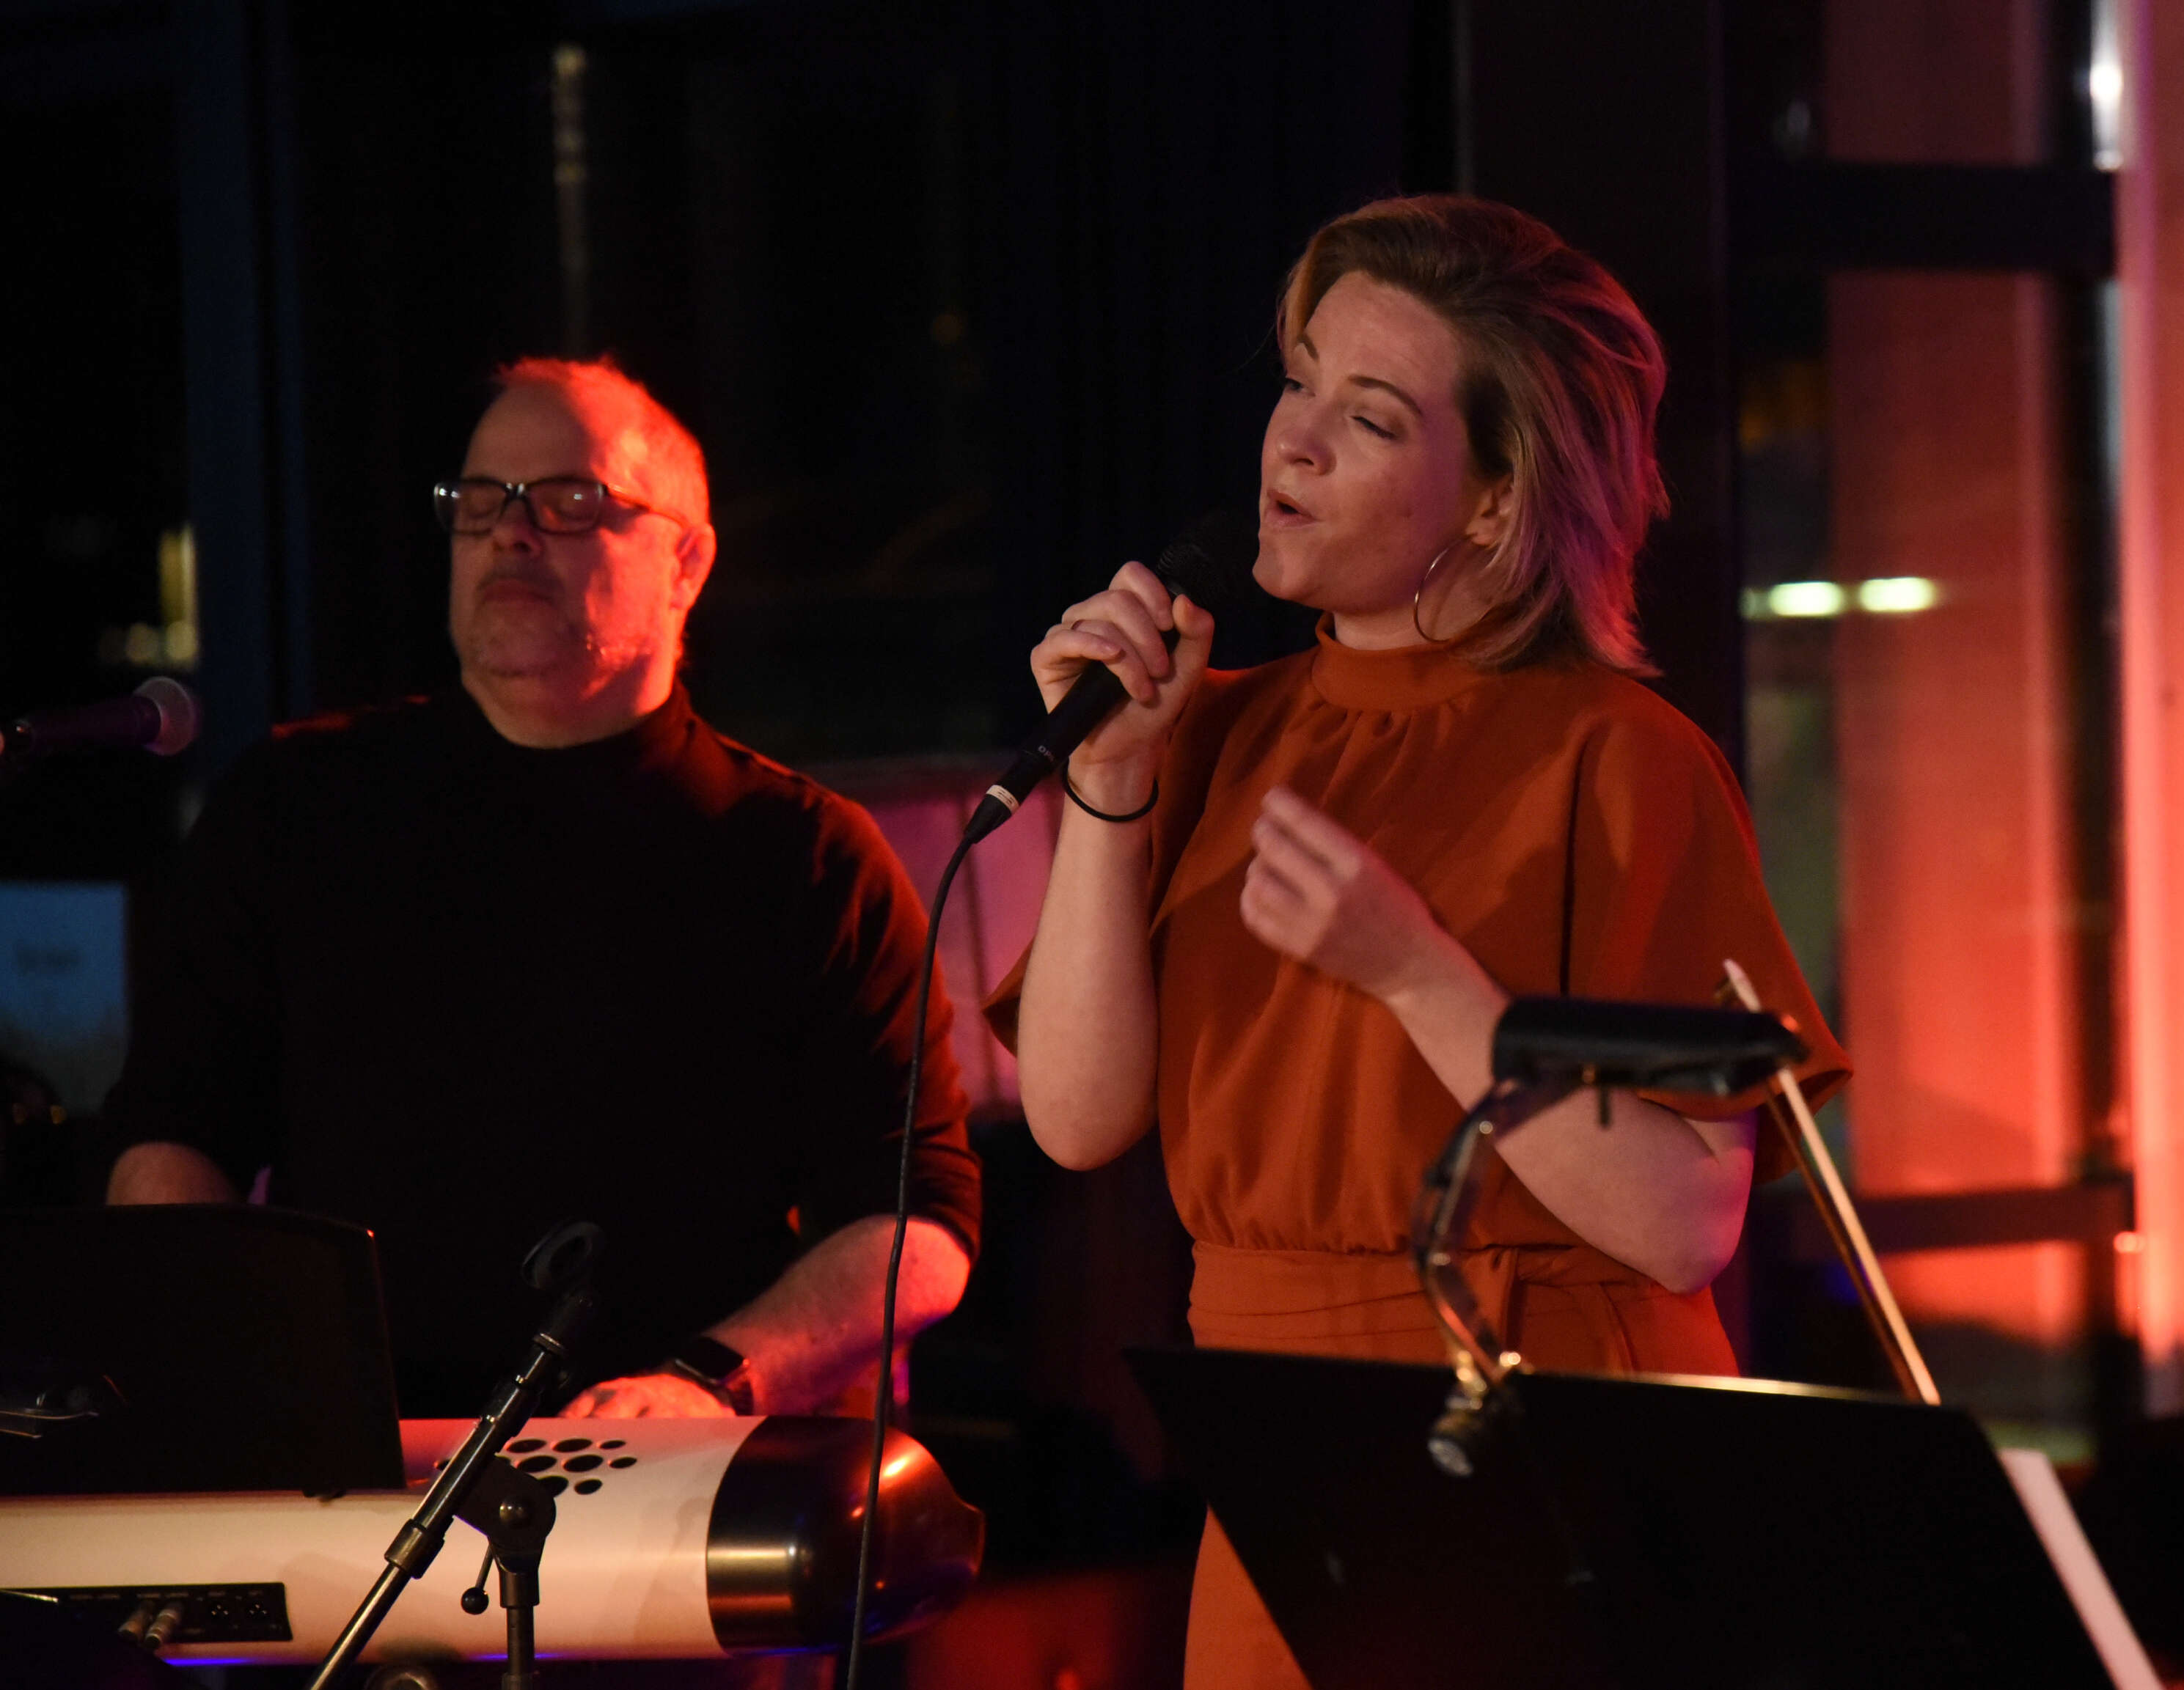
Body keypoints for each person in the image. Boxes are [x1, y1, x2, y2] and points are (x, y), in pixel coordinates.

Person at [991, 195, 1846, 1689]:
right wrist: (1112, 788)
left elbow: (1683, 1223)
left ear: (1496, 503)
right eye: (1299, 380)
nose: (1294, 441)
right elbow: (1073, 1117)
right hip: (1283, 1456)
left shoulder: (1621, 756)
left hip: (1545, 1449)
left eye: (1370, 418)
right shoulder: (1212, 729)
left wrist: (1415, 973)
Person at [104, 356, 979, 1431]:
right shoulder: (292, 807)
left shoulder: (807, 859)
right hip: (350, 1465)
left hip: (670, 1472)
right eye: (481, 502)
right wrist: (233, 1382)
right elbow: (170, 1131)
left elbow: (917, 1224)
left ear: (687, 561)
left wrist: (710, 1382)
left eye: (570, 501)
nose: (510, 533)